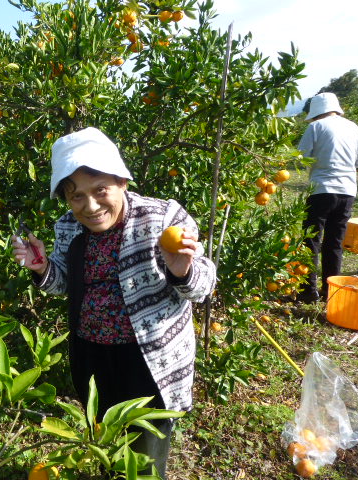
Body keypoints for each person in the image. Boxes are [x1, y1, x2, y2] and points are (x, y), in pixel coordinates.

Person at [11, 127, 216, 479]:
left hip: (150, 359)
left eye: (100, 190)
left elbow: (204, 286)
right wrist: (43, 268)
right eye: (76, 197)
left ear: (122, 181)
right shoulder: (68, 227)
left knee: (145, 457)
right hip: (94, 356)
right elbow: (65, 286)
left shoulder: (162, 218)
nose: (90, 206)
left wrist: (181, 269)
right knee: (105, 439)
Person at [297, 92, 358, 304]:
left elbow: (301, 157)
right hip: (347, 192)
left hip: (321, 190)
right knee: (334, 243)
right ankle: (330, 292)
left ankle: (308, 291)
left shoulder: (316, 127)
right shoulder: (354, 128)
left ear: (317, 112)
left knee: (312, 240)